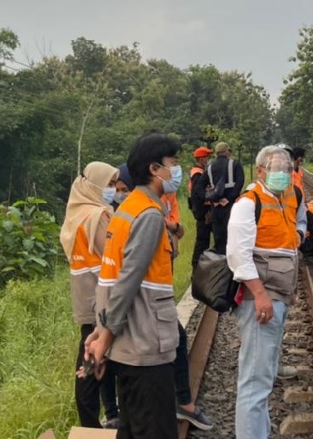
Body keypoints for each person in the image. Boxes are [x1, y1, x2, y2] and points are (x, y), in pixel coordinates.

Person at [85, 133, 182, 439]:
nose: (176, 170)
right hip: (146, 346)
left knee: (132, 428)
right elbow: (127, 281)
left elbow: (109, 278)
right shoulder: (149, 215)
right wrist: (104, 337)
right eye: (173, 163)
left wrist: (102, 333)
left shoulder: (126, 210)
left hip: (129, 346)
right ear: (155, 169)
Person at [115, 161, 212, 430]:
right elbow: (126, 276)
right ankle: (182, 403)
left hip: (153, 298)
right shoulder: (135, 216)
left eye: (122, 187)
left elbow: (176, 226)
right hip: (144, 306)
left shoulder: (153, 206)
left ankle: (133, 411)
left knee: (172, 344)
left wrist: (173, 229)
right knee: (174, 343)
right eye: (117, 188)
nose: (118, 193)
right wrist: (108, 326)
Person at [227, 145, 307, 439]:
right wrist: (260, 294)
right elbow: (238, 255)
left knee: (264, 374)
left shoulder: (292, 196)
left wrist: (298, 236)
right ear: (260, 171)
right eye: (275, 168)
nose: (282, 173)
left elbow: (300, 224)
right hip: (260, 298)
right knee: (255, 379)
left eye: (287, 168)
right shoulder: (248, 203)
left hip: (279, 294)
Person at [60, 161, 121, 429]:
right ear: (94, 185)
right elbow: (116, 260)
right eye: (109, 184)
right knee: (91, 367)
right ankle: (93, 429)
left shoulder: (76, 215)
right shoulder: (98, 217)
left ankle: (102, 421)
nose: (113, 191)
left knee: (93, 364)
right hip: (104, 304)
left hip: (85, 302)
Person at [206, 142, 245, 254]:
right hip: (231, 206)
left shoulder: (209, 168)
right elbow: (240, 182)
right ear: (226, 151)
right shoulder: (235, 164)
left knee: (219, 238)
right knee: (232, 237)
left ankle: (219, 264)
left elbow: (199, 186)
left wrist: (210, 197)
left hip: (216, 207)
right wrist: (229, 198)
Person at [189, 146, 213, 267]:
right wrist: (204, 213)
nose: (209, 160)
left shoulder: (200, 172)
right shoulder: (197, 174)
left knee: (204, 241)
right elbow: (196, 196)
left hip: (203, 212)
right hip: (203, 213)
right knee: (202, 242)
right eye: (207, 157)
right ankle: (197, 267)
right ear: (202, 159)